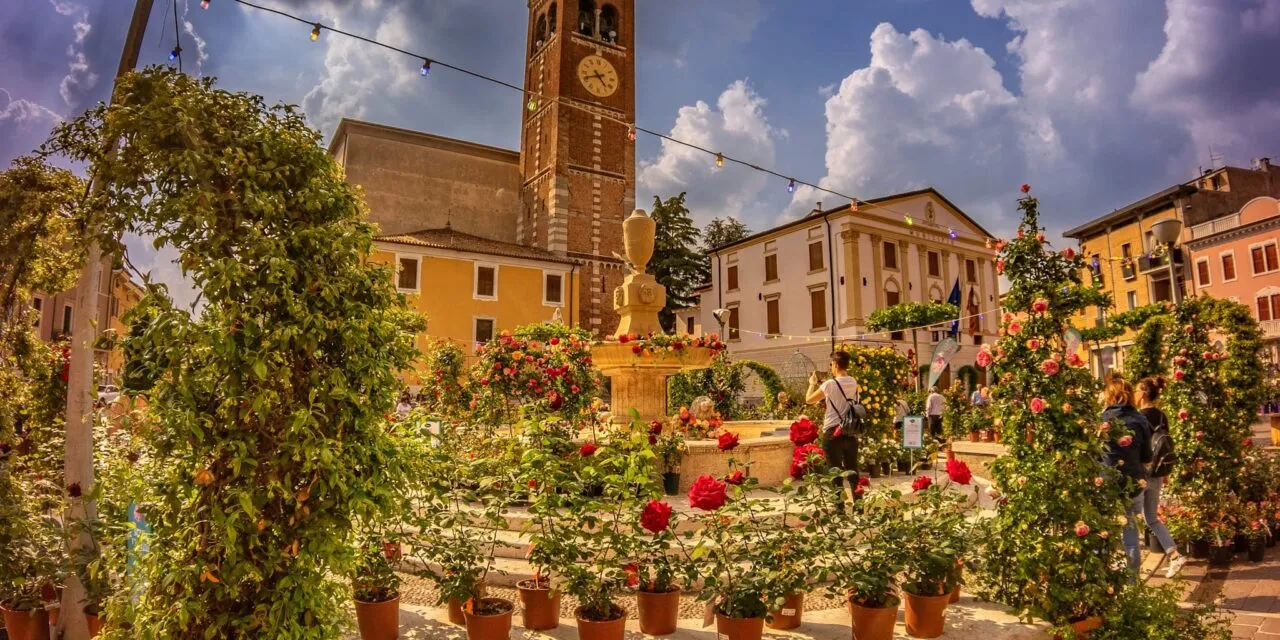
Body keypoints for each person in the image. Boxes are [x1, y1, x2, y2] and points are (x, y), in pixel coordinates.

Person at [1099, 374, 1153, 579]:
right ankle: (1132, 583)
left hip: (1106, 482)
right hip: (1133, 482)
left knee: (1104, 533)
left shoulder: (1102, 420)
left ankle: (1103, 581)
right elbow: (1147, 456)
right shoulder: (1140, 419)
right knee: (1131, 536)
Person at [1135, 376, 1186, 577]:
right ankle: (1174, 556)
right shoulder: (1162, 415)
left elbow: (1138, 446)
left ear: (1143, 393)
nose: (1135, 394)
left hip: (1141, 472)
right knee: (1152, 519)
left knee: (1130, 517)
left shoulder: (1139, 417)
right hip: (1157, 472)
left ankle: (1132, 566)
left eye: (1137, 390)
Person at [807, 351, 861, 495]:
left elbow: (809, 400)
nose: (831, 367)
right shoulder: (853, 382)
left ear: (836, 365)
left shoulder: (830, 384)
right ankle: (859, 508)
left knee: (835, 474)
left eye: (831, 364)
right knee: (853, 471)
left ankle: (840, 511)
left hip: (833, 433)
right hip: (850, 431)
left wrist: (812, 384)